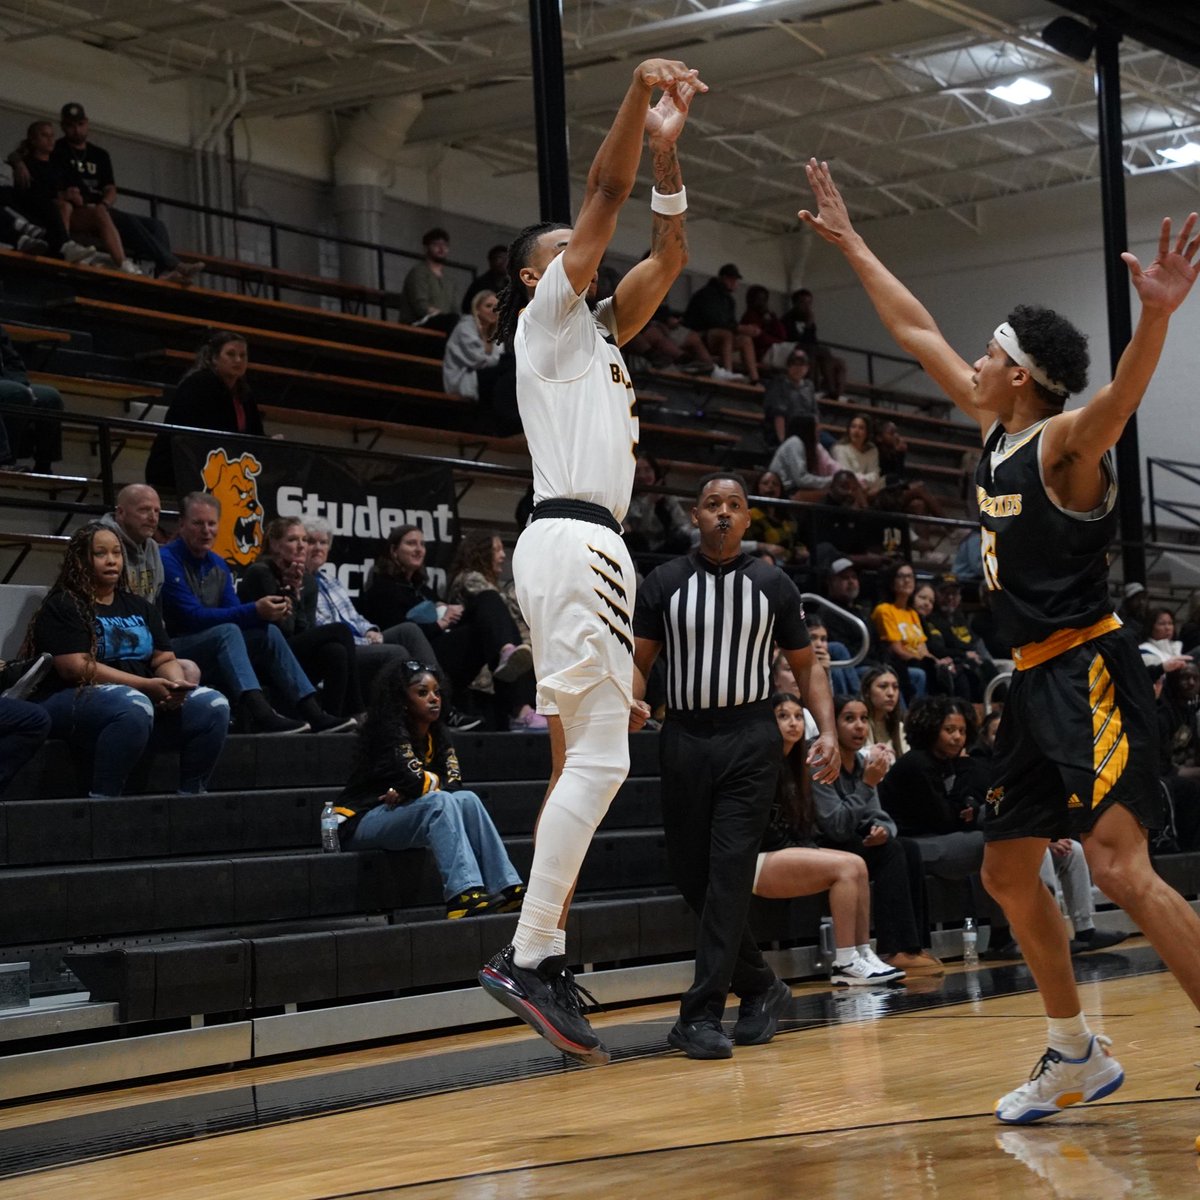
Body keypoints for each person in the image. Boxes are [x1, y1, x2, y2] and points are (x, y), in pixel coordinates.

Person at [801, 155, 1200, 1125]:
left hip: (1089, 673)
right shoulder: (995, 429)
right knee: (1006, 870)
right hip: (1025, 686)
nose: (970, 361)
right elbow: (912, 328)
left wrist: (1156, 317)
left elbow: (1119, 404)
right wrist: (852, 243)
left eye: (987, 353)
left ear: (1019, 372)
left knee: (1116, 867)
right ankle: (1073, 1051)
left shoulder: (1063, 444)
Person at [477, 58, 707, 1065]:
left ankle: (545, 947)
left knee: (586, 753)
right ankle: (528, 952)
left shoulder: (600, 336)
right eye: (567, 250)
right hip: (578, 540)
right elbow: (603, 200)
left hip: (567, 546)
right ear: (535, 277)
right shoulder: (548, 317)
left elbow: (665, 254)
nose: (588, 253)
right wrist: (634, 105)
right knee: (605, 758)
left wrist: (669, 160)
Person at [633, 473, 837, 1058]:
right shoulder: (664, 582)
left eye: (735, 505)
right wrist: (632, 696)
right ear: (695, 516)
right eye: (712, 504)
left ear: (748, 520)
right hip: (683, 736)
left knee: (727, 874)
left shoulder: (773, 583)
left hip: (751, 737)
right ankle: (763, 986)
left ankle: (697, 1015)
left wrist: (822, 730)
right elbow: (639, 662)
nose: (723, 513)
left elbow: (807, 667)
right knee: (691, 876)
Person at [22, 523, 229, 797]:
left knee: (214, 704)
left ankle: (192, 796)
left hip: (136, 694)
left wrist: (176, 686)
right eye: (100, 553)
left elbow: (164, 657)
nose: (112, 561)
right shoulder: (64, 604)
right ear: (82, 560)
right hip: (68, 697)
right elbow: (75, 667)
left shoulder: (140, 605)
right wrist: (145, 685)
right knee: (133, 704)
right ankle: (104, 801)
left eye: (117, 553)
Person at [336, 660, 524, 918]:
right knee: (441, 802)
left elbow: (454, 784)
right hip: (360, 820)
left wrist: (414, 789)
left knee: (466, 799)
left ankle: (507, 887)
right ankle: (462, 895)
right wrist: (417, 787)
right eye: (422, 692)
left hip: (400, 813)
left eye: (436, 691)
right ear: (403, 700)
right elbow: (417, 783)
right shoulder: (388, 731)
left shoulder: (439, 733)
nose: (434, 699)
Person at [159, 492, 343, 734]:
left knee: (268, 632)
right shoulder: (166, 558)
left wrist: (269, 611)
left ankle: (313, 712)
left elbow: (233, 610)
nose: (206, 530)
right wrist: (255, 609)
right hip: (174, 649)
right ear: (182, 524)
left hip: (211, 644)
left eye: (212, 523)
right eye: (198, 523)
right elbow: (190, 617)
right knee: (228, 630)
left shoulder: (217, 563)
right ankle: (261, 713)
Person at [756, 692, 903, 985]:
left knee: (857, 863)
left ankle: (862, 952)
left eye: (798, 716)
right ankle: (844, 961)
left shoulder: (798, 766)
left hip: (785, 851)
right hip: (755, 857)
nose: (793, 723)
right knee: (846, 868)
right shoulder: (759, 766)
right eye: (783, 716)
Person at [878, 697, 1017, 959]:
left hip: (942, 839)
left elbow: (969, 805)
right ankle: (1003, 932)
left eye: (963, 731)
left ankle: (1004, 933)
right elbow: (942, 817)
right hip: (911, 846)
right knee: (991, 841)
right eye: (949, 730)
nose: (957, 738)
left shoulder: (953, 763)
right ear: (931, 729)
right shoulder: (916, 764)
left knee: (996, 829)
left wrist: (965, 807)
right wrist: (962, 811)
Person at [811, 693, 940, 973]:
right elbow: (835, 825)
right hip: (819, 844)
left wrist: (885, 831)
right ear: (831, 726)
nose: (859, 726)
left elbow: (881, 816)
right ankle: (893, 949)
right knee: (891, 852)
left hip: (853, 839)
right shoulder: (819, 762)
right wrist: (868, 785)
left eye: (863, 719)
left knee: (906, 846)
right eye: (849, 719)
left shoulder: (860, 763)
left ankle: (914, 946)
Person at [302, 518, 469, 720]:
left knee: (409, 630)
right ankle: (418, 716)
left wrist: (369, 631)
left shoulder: (331, 580)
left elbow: (355, 617)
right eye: (312, 542)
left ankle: (444, 706)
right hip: (343, 649)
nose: (318, 548)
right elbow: (323, 628)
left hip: (364, 640)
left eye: (323, 543)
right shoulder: (301, 582)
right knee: (398, 652)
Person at [360, 525, 532, 707]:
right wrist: (441, 623)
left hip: (443, 648)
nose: (419, 549)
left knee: (488, 602)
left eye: (422, 544)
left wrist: (448, 611)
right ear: (394, 551)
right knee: (489, 605)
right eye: (411, 544)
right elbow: (399, 635)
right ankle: (518, 708)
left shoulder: (422, 589)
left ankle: (507, 655)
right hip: (419, 660)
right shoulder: (383, 589)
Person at [51, 103, 199, 281]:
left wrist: (105, 203)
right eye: (70, 125)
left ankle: (163, 272)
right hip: (81, 210)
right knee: (127, 221)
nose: (76, 130)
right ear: (63, 126)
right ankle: (175, 264)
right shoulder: (57, 150)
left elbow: (111, 188)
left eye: (80, 124)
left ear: (87, 123)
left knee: (156, 226)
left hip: (101, 209)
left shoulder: (99, 154)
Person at [240, 517, 365, 720]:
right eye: (292, 539)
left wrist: (296, 593)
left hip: (293, 650)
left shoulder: (307, 580)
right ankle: (356, 708)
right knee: (340, 630)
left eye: (304, 540)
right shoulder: (260, 573)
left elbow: (304, 630)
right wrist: (289, 593)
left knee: (336, 651)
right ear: (275, 544)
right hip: (265, 652)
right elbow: (281, 630)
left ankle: (333, 718)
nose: (301, 546)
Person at [446, 529, 545, 732]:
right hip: (476, 668)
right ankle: (520, 709)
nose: (503, 555)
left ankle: (525, 710)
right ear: (481, 552)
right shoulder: (469, 579)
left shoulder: (493, 586)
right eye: (497, 550)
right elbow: (497, 610)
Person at [145, 332, 265, 497]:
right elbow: (203, 434)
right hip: (181, 468)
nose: (238, 360)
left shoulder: (244, 393)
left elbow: (254, 434)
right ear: (214, 358)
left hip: (221, 467)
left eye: (243, 355)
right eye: (231, 354)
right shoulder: (199, 384)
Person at [5, 119, 99, 263]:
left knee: (101, 212)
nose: (50, 140)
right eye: (45, 135)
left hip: (60, 208)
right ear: (34, 140)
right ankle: (64, 249)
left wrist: (78, 195)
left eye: (52, 135)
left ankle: (123, 262)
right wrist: (17, 162)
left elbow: (82, 189)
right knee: (62, 206)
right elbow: (30, 193)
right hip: (33, 207)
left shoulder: (58, 162)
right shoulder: (26, 163)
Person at [682, 262, 761, 384]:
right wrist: (739, 328)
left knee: (745, 340)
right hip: (699, 335)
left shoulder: (729, 300)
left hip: (717, 340)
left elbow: (731, 322)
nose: (734, 283)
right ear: (723, 278)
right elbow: (712, 321)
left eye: (735, 280)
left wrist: (746, 329)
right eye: (731, 279)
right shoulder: (707, 294)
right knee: (726, 334)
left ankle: (755, 379)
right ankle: (727, 372)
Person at [0, 327, 64, 475]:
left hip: (5, 380)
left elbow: (14, 363)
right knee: (16, 393)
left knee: (50, 397)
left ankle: (44, 465)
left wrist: (23, 384)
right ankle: (5, 461)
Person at [781, 287, 847, 399]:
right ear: (795, 303)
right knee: (817, 353)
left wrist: (810, 325)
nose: (807, 307)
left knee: (840, 363)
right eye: (803, 303)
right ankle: (828, 390)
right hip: (794, 352)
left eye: (809, 303)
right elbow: (799, 341)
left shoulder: (809, 322)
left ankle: (838, 394)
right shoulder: (787, 320)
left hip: (811, 351)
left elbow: (813, 341)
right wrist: (808, 325)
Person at [442, 290, 503, 400]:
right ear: (477, 309)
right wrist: (498, 362)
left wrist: (499, 362)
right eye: (488, 306)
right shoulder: (465, 328)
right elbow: (478, 360)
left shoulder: (496, 332)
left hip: (485, 378)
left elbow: (499, 358)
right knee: (508, 369)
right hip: (464, 380)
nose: (494, 310)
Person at [397, 227, 458, 334]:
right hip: (418, 325)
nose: (441, 248)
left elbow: (455, 309)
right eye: (436, 244)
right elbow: (421, 307)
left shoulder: (449, 279)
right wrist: (441, 316)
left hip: (444, 324)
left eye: (445, 245)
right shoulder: (418, 272)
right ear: (426, 248)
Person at [762, 348, 818, 452]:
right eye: (794, 364)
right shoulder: (779, 384)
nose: (798, 368)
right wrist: (783, 443)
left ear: (807, 368)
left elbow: (814, 415)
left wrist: (814, 442)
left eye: (801, 365)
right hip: (784, 431)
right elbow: (779, 415)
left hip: (805, 432)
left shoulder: (809, 386)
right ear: (788, 366)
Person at [860, 665, 908, 756]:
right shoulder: (858, 726)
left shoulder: (900, 727)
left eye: (895, 687)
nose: (891, 693)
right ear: (867, 692)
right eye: (883, 686)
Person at [1138, 607, 1191, 680]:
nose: (1168, 628)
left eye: (1170, 623)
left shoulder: (1177, 647)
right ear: (1151, 627)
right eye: (1162, 624)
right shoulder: (1144, 650)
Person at [831, 412, 881, 486]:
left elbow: (875, 475)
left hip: (867, 488)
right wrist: (865, 480)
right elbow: (847, 476)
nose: (856, 431)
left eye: (861, 428)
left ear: (867, 432)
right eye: (853, 427)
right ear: (849, 429)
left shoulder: (872, 450)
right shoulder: (839, 449)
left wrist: (863, 482)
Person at [461, 244, 509, 313]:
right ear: (491, 261)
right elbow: (467, 308)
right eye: (500, 258)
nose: (505, 262)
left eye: (507, 258)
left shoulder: (510, 286)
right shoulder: (480, 284)